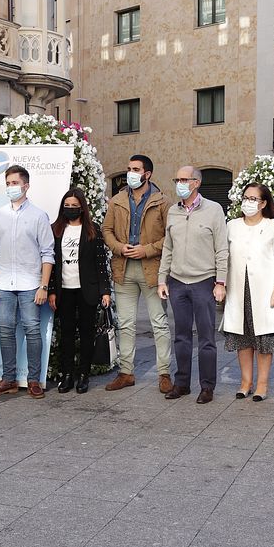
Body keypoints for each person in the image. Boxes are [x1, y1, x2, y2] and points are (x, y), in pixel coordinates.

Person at [101, 154, 173, 393]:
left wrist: (147, 250)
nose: (130, 173)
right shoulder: (118, 200)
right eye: (129, 168)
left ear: (147, 174)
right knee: (126, 323)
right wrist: (119, 247)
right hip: (123, 268)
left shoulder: (162, 202)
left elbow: (170, 237)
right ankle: (126, 373)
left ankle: (164, 373)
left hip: (151, 269)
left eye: (135, 169)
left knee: (159, 323)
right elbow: (107, 229)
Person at [158, 166, 229, 404]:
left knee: (206, 338)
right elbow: (168, 247)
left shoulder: (214, 210)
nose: (179, 183)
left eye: (184, 179)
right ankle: (182, 383)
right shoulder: (173, 212)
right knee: (181, 336)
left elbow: (222, 249)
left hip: (203, 282)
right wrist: (162, 279)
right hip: (177, 282)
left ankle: (207, 386)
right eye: (176, 178)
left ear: (196, 182)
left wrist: (221, 282)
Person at [0, 165, 54, 399]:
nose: (11, 187)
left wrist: (43, 286)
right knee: (5, 332)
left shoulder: (38, 215)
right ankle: (9, 379)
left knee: (32, 330)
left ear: (26, 185)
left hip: (30, 284)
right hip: (3, 282)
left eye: (15, 183)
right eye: (8, 183)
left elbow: (47, 253)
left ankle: (34, 379)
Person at [222, 183, 274, 401]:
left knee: (263, 339)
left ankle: (261, 385)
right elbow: (224, 257)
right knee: (242, 338)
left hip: (264, 291)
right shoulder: (231, 226)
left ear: (263, 203)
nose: (248, 202)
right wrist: (220, 283)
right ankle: (245, 382)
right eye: (245, 197)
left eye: (253, 199)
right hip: (238, 289)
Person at [49, 188, 112, 394]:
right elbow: (51, 262)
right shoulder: (56, 229)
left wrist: (105, 291)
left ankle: (83, 375)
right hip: (64, 290)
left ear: (82, 208)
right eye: (67, 206)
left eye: (74, 206)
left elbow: (101, 263)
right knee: (66, 333)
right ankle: (67, 375)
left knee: (87, 333)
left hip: (88, 290)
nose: (70, 209)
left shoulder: (92, 230)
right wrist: (51, 291)